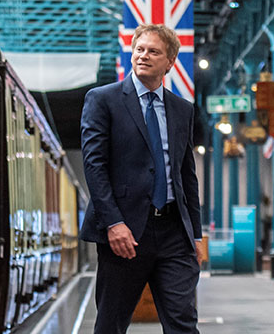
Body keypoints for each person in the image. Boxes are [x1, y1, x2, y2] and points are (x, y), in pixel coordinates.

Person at [80, 24, 202, 334]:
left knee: (183, 324)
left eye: (153, 51)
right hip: (125, 234)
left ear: (170, 62)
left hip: (175, 232)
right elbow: (94, 165)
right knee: (111, 325)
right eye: (139, 49)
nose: (143, 56)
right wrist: (113, 223)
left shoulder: (182, 109)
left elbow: (187, 175)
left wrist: (196, 235)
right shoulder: (103, 99)